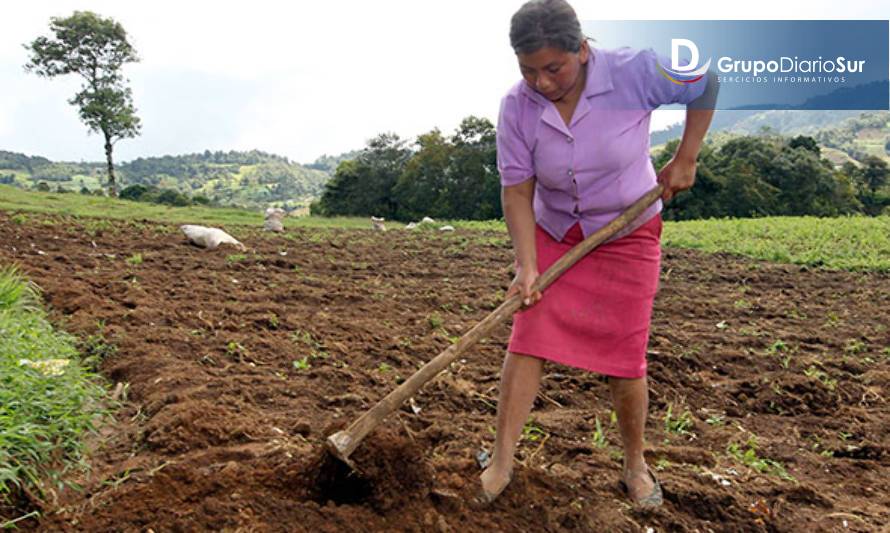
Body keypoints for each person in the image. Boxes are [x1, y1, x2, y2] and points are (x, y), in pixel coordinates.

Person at [478, 0, 718, 508]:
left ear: (582, 51)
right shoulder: (516, 106)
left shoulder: (634, 70)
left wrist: (686, 156)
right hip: (556, 229)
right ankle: (500, 461)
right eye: (528, 70)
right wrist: (527, 265)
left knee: (625, 356)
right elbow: (517, 192)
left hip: (628, 230)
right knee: (529, 337)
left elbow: (705, 79)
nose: (540, 82)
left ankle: (634, 464)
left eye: (553, 68)